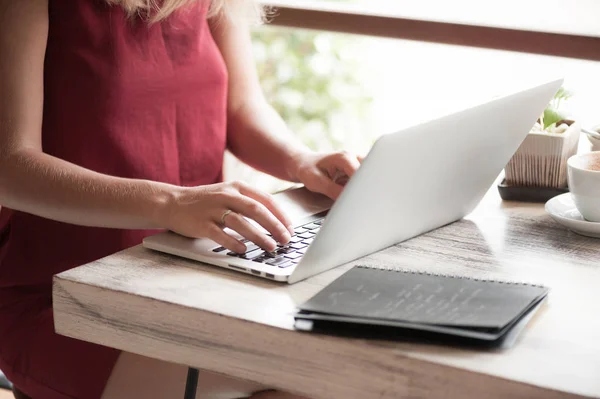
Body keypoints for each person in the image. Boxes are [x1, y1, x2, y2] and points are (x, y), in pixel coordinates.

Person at [0, 0, 362, 398]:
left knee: (328, 370)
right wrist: (171, 204)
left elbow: (241, 107)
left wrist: (300, 160)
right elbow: (11, 166)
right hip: (64, 299)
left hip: (192, 281)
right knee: (294, 377)